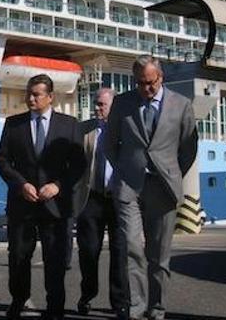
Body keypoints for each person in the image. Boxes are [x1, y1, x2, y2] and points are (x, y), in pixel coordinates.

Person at [104, 55, 197, 320]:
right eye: (141, 83)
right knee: (132, 248)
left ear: (161, 77)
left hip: (163, 187)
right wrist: (126, 168)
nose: (147, 88)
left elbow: (188, 148)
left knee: (159, 255)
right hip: (129, 186)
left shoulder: (182, 105)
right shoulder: (122, 103)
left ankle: (157, 308)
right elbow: (110, 145)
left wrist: (171, 172)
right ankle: (136, 307)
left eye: (151, 82)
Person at [0, 74, 85, 320]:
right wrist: (20, 184)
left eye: (36, 94)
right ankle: (18, 300)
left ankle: (55, 307)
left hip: (55, 205)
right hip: (21, 203)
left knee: (55, 258)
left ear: (50, 97)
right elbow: (2, 161)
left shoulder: (69, 125)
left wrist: (58, 185)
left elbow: (78, 164)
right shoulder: (14, 124)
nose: (30, 98)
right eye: (28, 93)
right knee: (18, 256)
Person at [73, 88, 128, 318]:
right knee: (88, 251)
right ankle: (87, 295)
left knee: (119, 252)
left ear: (113, 107)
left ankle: (120, 302)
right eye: (96, 104)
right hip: (91, 198)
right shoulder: (83, 129)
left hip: (118, 199)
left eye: (101, 104)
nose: (96, 108)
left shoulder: (125, 129)